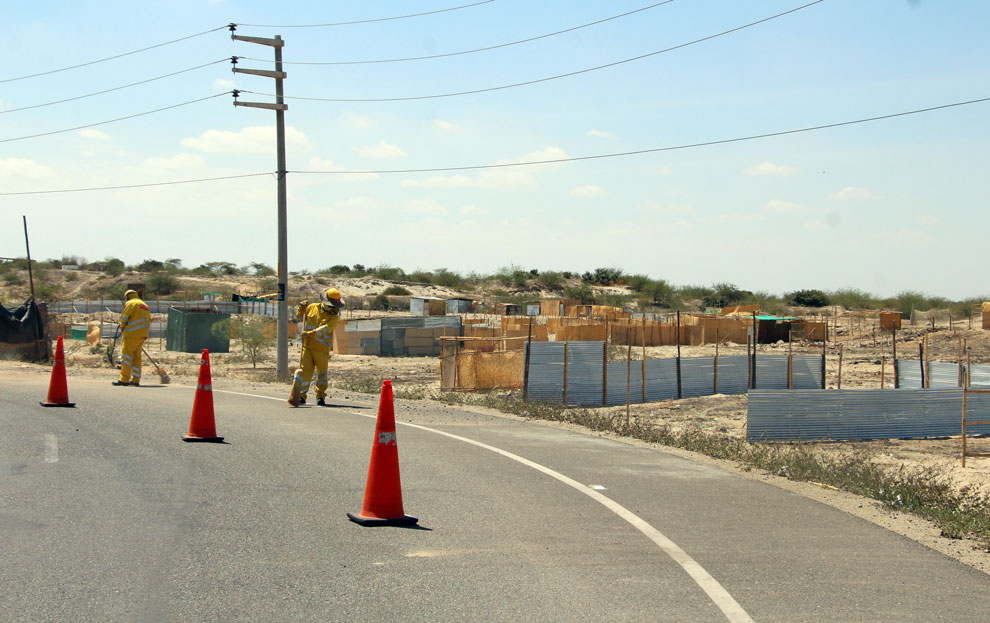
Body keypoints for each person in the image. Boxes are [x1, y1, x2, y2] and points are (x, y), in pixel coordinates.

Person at [294, 287, 344, 406]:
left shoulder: (334, 316)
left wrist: (310, 333)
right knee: (305, 372)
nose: (333, 307)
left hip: (321, 349)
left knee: (322, 373)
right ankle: (301, 395)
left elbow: (326, 329)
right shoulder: (312, 307)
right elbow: (300, 315)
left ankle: (320, 396)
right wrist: (301, 308)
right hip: (307, 347)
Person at [113, 289, 150, 386]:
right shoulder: (144, 305)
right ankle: (135, 380)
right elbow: (149, 321)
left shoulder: (131, 303)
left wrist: (122, 327)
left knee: (127, 357)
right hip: (142, 335)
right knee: (137, 358)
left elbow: (124, 317)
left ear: (128, 296)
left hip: (131, 335)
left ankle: (124, 380)